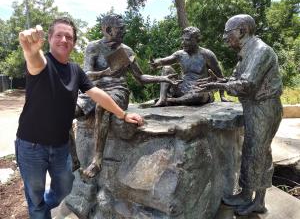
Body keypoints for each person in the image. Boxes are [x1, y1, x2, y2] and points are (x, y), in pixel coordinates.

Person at [16, 17, 143, 219]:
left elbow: (98, 94)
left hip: (59, 147)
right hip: (31, 146)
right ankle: (39, 211)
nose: (64, 40)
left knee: (64, 189)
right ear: (49, 38)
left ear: (74, 42)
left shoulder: (75, 70)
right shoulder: (42, 63)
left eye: (69, 36)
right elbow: (35, 61)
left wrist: (123, 114)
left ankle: (40, 208)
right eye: (59, 35)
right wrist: (30, 51)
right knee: (35, 196)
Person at [196, 14, 282, 215]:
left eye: (228, 33)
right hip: (254, 107)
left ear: (242, 31)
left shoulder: (261, 51)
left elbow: (247, 85)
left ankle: (258, 201)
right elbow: (235, 79)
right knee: (252, 151)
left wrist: (218, 85)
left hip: (264, 108)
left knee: (258, 153)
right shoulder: (246, 52)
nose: (225, 38)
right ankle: (246, 194)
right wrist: (217, 82)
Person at [75, 14, 178, 178]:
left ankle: (97, 160)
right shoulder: (93, 47)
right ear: (108, 29)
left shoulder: (126, 51)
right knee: (66, 110)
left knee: (103, 107)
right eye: (120, 28)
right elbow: (85, 75)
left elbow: (141, 78)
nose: (125, 31)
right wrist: (105, 72)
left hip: (118, 90)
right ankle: (73, 159)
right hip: (94, 89)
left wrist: (163, 78)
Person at [150, 26, 228, 107]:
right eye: (182, 39)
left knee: (199, 95)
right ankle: (162, 99)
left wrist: (222, 96)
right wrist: (156, 63)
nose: (183, 43)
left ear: (197, 40)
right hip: (182, 88)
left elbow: (220, 76)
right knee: (167, 68)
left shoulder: (207, 55)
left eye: (187, 40)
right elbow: (164, 61)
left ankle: (172, 101)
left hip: (200, 90)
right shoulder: (180, 54)